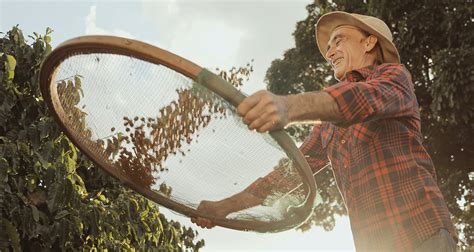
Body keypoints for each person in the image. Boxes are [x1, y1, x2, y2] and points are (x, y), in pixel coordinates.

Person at [191, 11, 458, 251]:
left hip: (422, 234)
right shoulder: (328, 126)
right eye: (329, 47)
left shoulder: (394, 76)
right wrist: (224, 208)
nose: (330, 52)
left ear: (369, 42)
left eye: (339, 40)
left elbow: (361, 98)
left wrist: (289, 106)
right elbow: (287, 176)